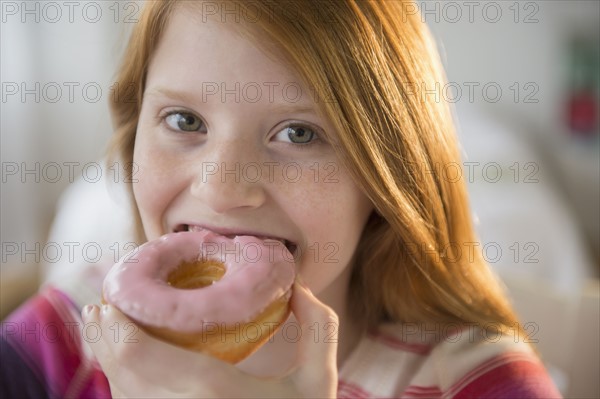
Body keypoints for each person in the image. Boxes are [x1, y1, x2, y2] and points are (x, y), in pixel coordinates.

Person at [1, 1, 562, 397]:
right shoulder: (68, 330)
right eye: (184, 119)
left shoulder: (481, 383)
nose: (219, 188)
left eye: (298, 133)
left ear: (385, 178)